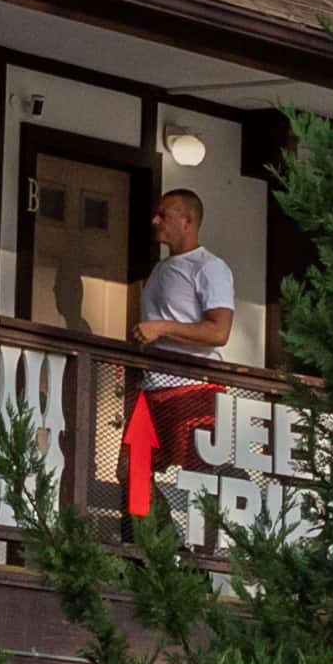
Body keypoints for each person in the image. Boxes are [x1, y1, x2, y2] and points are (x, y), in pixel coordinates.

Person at [122, 189, 239, 515]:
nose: (154, 220)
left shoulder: (209, 267)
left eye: (163, 214)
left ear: (187, 221)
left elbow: (219, 331)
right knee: (131, 473)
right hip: (152, 388)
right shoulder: (161, 269)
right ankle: (158, 551)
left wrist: (162, 327)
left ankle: (194, 557)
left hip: (193, 387)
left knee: (198, 480)